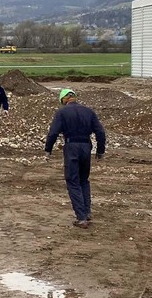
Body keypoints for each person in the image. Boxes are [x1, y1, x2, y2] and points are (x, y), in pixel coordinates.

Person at [44, 88, 106, 228]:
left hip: (72, 147)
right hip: (86, 147)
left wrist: (48, 149)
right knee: (84, 180)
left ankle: (81, 217)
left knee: (72, 181)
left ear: (63, 100)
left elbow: (53, 132)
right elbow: (100, 132)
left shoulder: (62, 113)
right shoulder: (89, 111)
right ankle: (87, 212)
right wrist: (100, 151)